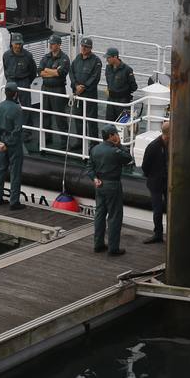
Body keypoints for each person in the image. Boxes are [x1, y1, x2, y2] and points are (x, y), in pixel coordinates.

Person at [88, 124, 134, 255]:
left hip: (99, 185)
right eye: (116, 134)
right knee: (114, 216)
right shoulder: (114, 151)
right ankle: (113, 248)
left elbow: (89, 167)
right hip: (112, 185)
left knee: (100, 215)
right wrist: (119, 145)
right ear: (111, 136)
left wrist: (94, 178)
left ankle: (98, 244)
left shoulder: (95, 149)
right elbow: (128, 158)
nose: (117, 136)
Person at [0, 82, 26, 210]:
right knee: (15, 173)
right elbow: (17, 130)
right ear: (16, 94)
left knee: (1, 170)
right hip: (13, 145)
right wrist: (7, 143)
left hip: (1, 144)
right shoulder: (17, 109)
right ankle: (14, 202)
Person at [37, 34, 71, 149]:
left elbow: (60, 73)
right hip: (45, 89)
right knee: (45, 114)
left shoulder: (64, 58)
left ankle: (64, 141)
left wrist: (48, 71)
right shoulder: (46, 57)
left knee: (59, 116)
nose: (51, 46)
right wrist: (51, 71)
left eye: (53, 44)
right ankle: (47, 138)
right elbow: (40, 72)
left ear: (59, 45)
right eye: (50, 44)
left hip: (58, 89)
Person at [2, 32, 38, 137]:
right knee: (9, 105)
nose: (18, 46)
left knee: (26, 107)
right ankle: (10, 127)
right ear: (12, 44)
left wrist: (27, 82)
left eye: (19, 44)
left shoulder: (28, 56)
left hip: (23, 81)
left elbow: (33, 71)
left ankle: (27, 131)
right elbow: (5, 69)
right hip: (11, 81)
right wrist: (9, 80)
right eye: (16, 44)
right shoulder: (6, 55)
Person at [140, 118, 169, 244]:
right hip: (156, 182)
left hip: (168, 182)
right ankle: (158, 234)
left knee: (171, 208)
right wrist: (153, 176)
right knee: (157, 210)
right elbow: (145, 166)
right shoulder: (153, 147)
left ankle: (171, 233)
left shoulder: (172, 144)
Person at [70, 37, 102, 148]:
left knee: (91, 119)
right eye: (82, 46)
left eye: (86, 47)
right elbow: (71, 73)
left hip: (89, 94)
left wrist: (84, 87)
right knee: (78, 118)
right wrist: (75, 85)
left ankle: (93, 143)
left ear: (91, 48)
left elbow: (95, 77)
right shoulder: (77, 59)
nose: (83, 48)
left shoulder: (96, 61)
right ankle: (80, 141)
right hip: (78, 94)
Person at [104, 47, 138, 123]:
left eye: (108, 57)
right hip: (111, 100)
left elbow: (134, 87)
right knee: (109, 122)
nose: (107, 60)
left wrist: (123, 93)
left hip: (122, 101)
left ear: (115, 57)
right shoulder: (108, 68)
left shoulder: (127, 70)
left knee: (122, 123)